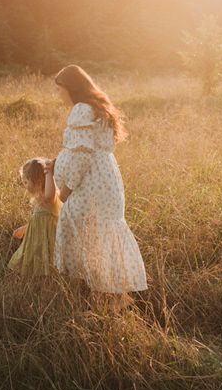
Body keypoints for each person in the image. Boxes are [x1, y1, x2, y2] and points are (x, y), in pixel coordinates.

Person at [50, 64, 147, 294]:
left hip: (90, 186)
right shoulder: (96, 107)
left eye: (60, 89)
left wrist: (64, 191)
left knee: (87, 235)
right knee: (103, 236)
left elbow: (82, 155)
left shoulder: (81, 109)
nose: (59, 94)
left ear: (71, 88)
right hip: (106, 181)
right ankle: (112, 296)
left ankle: (102, 295)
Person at [8, 158, 61, 276]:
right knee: (36, 261)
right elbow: (37, 221)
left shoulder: (49, 199)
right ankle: (38, 280)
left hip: (48, 239)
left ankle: (47, 281)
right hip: (37, 239)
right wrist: (25, 228)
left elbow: (49, 195)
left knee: (49, 263)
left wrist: (49, 173)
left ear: (37, 181)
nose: (25, 186)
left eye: (26, 182)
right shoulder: (39, 199)